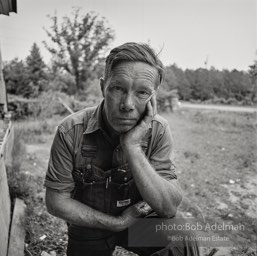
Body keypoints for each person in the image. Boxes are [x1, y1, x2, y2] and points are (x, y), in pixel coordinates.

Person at [44, 42, 200, 256]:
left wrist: (132, 146)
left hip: (139, 223)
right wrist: (116, 223)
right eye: (118, 88)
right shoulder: (70, 131)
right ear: (102, 87)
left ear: (153, 98)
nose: (127, 104)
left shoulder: (158, 130)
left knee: (182, 237)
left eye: (142, 92)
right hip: (91, 225)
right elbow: (56, 202)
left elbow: (168, 207)